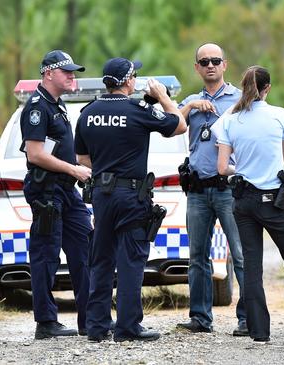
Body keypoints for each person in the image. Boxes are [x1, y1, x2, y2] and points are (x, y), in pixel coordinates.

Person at [75, 57, 186, 342]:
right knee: (131, 260)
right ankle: (127, 328)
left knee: (100, 260)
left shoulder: (88, 112)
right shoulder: (138, 110)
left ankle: (97, 327)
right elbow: (179, 125)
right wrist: (162, 96)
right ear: (128, 81)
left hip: (101, 194)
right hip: (131, 195)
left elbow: (82, 159)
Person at [215, 65, 284, 345]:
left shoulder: (231, 119)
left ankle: (259, 332)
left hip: (243, 202)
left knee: (252, 266)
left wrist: (240, 170)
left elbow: (222, 167)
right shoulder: (280, 115)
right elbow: (282, 158)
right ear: (268, 88)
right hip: (273, 201)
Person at [20, 50, 92, 339]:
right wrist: (74, 170)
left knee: (84, 250)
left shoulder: (58, 106)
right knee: (46, 255)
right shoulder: (37, 107)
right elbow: (35, 154)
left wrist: (85, 166)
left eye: (74, 71)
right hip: (46, 191)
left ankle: (92, 319)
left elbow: (66, 150)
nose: (73, 76)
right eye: (67, 71)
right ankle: (46, 323)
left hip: (66, 190)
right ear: (49, 72)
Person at [176, 43, 247, 336]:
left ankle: (248, 317)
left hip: (229, 188)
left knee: (242, 254)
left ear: (225, 64)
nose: (210, 65)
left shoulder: (241, 99)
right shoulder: (191, 101)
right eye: (204, 61)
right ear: (197, 67)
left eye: (215, 60)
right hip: (197, 190)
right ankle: (200, 318)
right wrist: (191, 106)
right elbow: (173, 125)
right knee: (197, 257)